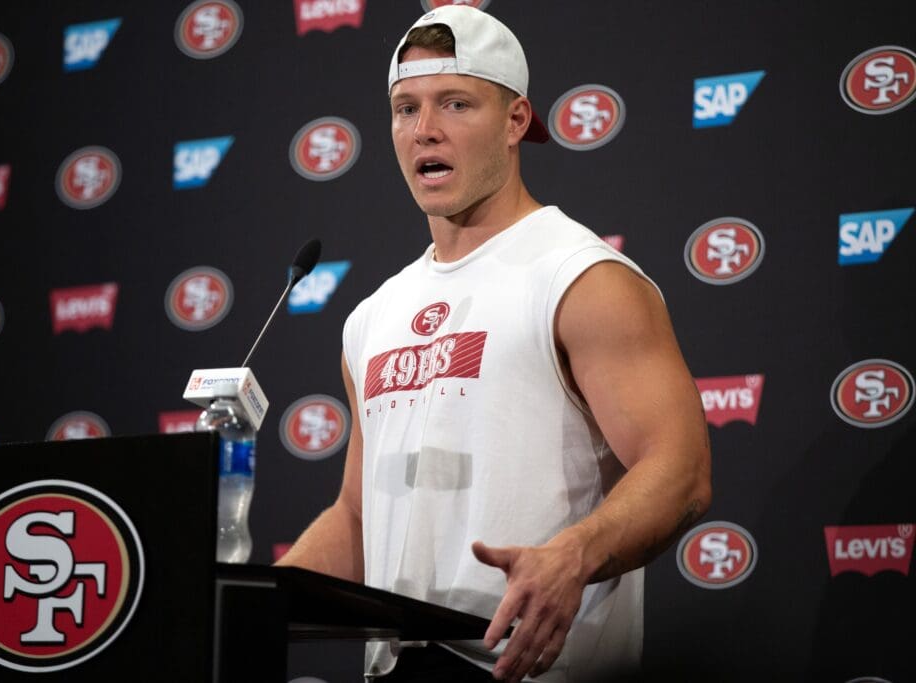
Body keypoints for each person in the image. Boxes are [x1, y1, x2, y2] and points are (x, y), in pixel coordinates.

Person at [276, 6, 712, 682]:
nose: (425, 129)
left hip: (528, 669)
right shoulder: (372, 316)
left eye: (455, 103)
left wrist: (574, 554)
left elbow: (680, 471)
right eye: (406, 108)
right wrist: (244, 604)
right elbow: (358, 517)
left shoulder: (580, 278)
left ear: (515, 122)